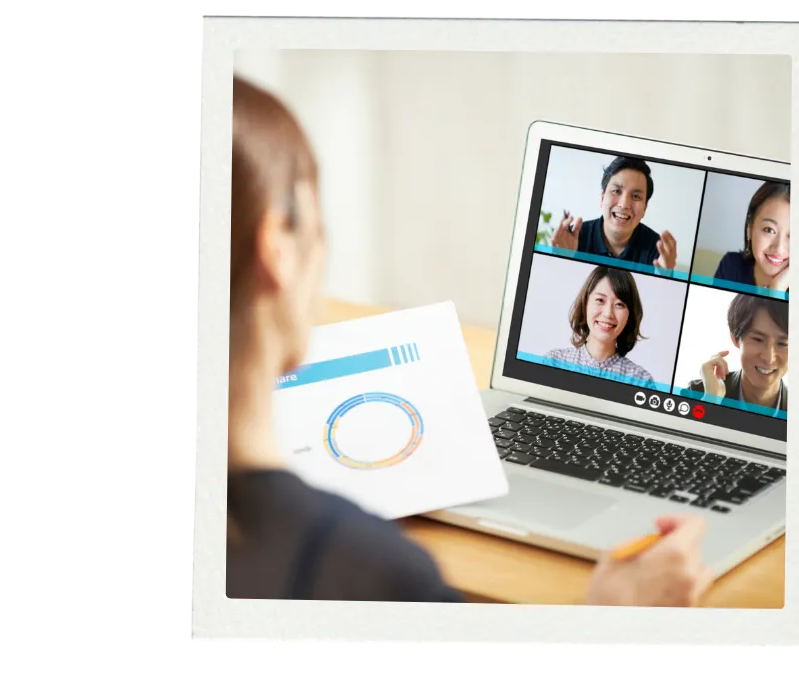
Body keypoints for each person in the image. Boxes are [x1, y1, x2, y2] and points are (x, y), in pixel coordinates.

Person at [227, 76, 713, 606]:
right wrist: (605, 620)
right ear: (277, 249)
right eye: (317, 223)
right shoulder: (376, 573)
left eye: (621, 304)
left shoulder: (650, 317)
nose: (610, 311)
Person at [549, 156, 678, 270]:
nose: (624, 204)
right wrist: (562, 261)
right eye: (616, 191)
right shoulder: (574, 239)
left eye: (635, 196)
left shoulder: (657, 249)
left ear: (644, 209)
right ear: (602, 198)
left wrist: (664, 277)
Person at [545, 266, 657, 385]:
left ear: (630, 315)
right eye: (600, 300)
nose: (608, 313)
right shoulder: (554, 363)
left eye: (619, 304)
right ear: (585, 304)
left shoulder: (640, 380)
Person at [685, 295, 788, 415]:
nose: (769, 358)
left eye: (783, 344)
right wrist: (711, 403)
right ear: (735, 338)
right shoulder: (698, 395)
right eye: (758, 339)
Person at [713, 183, 790, 294]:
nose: (779, 248)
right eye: (769, 230)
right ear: (750, 229)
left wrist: (777, 292)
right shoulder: (731, 266)